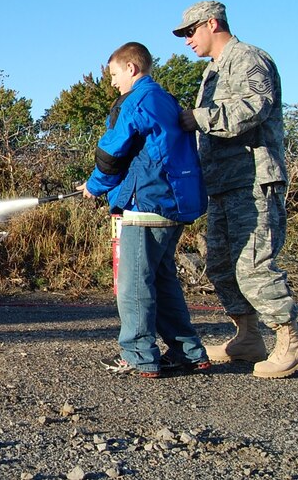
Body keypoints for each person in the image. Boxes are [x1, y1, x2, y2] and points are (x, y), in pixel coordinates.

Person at [173, 1, 298, 379]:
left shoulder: (249, 58)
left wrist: (198, 117)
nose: (187, 41)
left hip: (253, 180)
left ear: (212, 23)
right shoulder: (211, 72)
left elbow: (254, 107)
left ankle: (291, 341)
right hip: (222, 184)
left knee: (253, 264)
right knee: (220, 266)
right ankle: (247, 336)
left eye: (190, 31)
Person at [78, 42, 210, 378]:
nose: (111, 83)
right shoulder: (164, 98)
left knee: (134, 285)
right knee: (162, 281)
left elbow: (112, 150)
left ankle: (139, 355)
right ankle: (189, 353)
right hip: (172, 203)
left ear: (132, 69)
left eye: (114, 74)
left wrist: (94, 186)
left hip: (147, 204)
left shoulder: (136, 100)